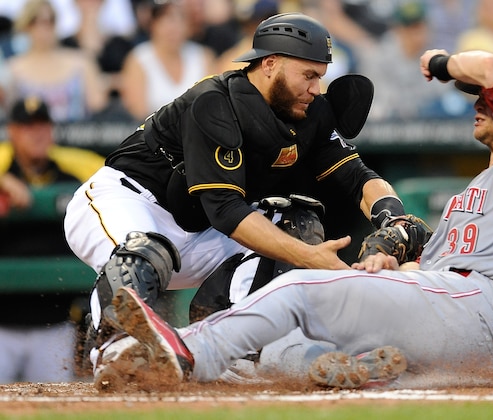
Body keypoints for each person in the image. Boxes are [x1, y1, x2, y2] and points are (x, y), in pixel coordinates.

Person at [90, 49, 493, 391]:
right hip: (451, 325)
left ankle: (184, 351)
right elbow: (428, 274)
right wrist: (387, 269)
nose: (477, 101)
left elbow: (490, 68)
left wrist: (441, 63)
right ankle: (365, 373)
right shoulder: (480, 190)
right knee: (286, 345)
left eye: (486, 99)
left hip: (474, 305)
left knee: (297, 290)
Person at [63, 12, 408, 377]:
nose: (316, 88)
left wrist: (393, 216)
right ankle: (118, 351)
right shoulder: (214, 101)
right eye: (308, 75)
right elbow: (226, 210)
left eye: (320, 76)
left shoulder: (309, 112)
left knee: (296, 222)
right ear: (270, 64)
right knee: (144, 248)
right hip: (127, 201)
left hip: (199, 232)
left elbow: (358, 178)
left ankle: (228, 348)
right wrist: (311, 258)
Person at [0, 96, 104, 383]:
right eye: (27, 126)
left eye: (43, 125)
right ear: (12, 132)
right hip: (2, 326)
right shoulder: (3, 164)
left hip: (55, 324)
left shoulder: (71, 170)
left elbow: (117, 177)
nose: (37, 133)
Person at [2, 0, 108, 123]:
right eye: (35, 21)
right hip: (33, 137)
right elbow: (9, 113)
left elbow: (99, 106)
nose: (43, 28)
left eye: (49, 21)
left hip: (77, 138)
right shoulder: (12, 68)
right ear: (25, 25)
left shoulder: (81, 63)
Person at [118, 0, 218, 121]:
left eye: (179, 19)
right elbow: (137, 114)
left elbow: (213, 105)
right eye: (165, 19)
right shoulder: (138, 60)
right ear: (153, 24)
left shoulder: (204, 57)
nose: (173, 28)